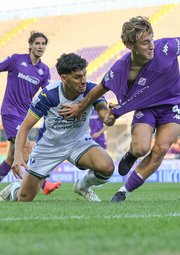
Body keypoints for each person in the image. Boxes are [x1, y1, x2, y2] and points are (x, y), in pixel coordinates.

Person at [59, 16, 180, 203]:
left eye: (151, 40)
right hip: (146, 107)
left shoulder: (166, 47)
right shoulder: (120, 69)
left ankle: (123, 192)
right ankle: (133, 154)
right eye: (144, 43)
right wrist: (80, 107)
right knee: (141, 148)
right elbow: (98, 90)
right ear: (129, 45)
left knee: (160, 149)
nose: (151, 46)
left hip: (173, 105)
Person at [0, 53, 115, 202]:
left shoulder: (92, 89)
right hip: (49, 146)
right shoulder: (49, 94)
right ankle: (15, 187)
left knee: (107, 167)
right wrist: (17, 157)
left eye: (84, 75)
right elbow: (25, 127)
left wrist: (111, 116)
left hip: (78, 142)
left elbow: (105, 117)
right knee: (24, 198)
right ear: (64, 78)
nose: (84, 81)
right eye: (78, 77)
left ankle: (82, 186)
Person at [0, 31, 61, 195]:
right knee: (26, 146)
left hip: (25, 114)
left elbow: (46, 93)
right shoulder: (16, 60)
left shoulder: (44, 70)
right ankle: (44, 184)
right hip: (10, 111)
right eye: (37, 43)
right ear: (30, 45)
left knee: (12, 156)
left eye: (43, 44)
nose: (40, 46)